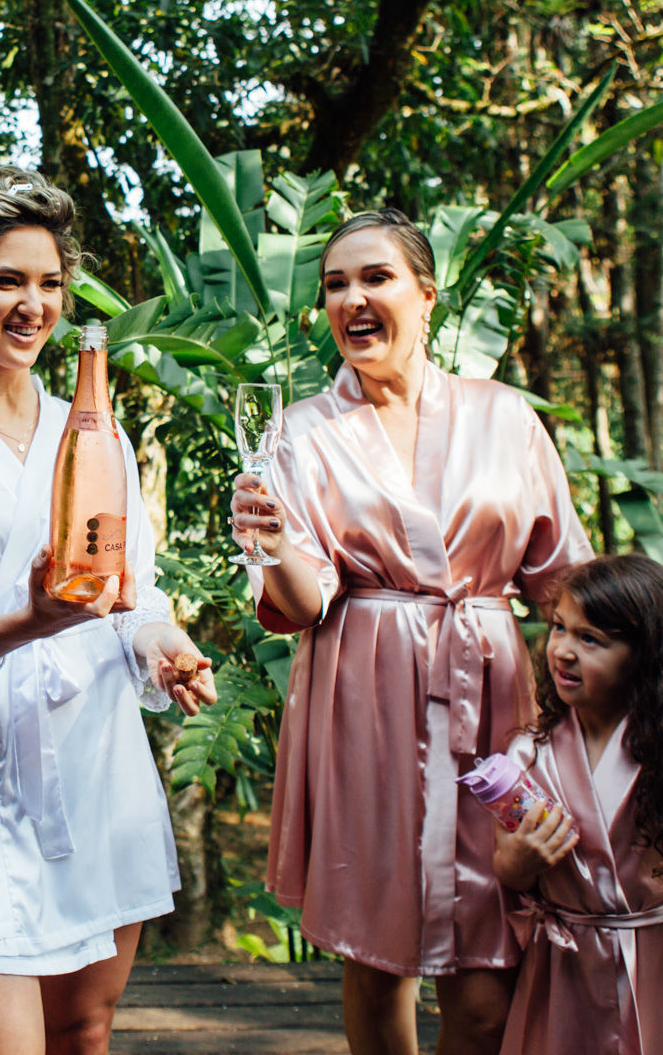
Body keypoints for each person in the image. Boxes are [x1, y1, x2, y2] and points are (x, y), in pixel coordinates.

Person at [0, 167, 218, 1055]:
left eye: (51, 283)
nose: (35, 305)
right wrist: (29, 621)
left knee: (86, 1032)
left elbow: (130, 593)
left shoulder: (93, 430)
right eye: (7, 281)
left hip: (97, 762)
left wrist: (164, 644)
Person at [230, 208, 594, 1055]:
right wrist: (271, 541)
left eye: (375, 277)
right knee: (377, 958)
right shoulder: (300, 432)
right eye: (335, 285)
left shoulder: (506, 417)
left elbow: (563, 584)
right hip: (365, 705)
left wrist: (621, 690)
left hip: (492, 704)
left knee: (488, 978)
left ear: (426, 296)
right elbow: (303, 604)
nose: (352, 298)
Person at [492, 554, 663, 1055]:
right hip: (560, 975)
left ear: (645, 656)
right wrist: (518, 861)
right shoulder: (527, 756)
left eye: (591, 639)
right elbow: (509, 870)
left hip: (656, 968)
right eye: (559, 627)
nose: (563, 650)